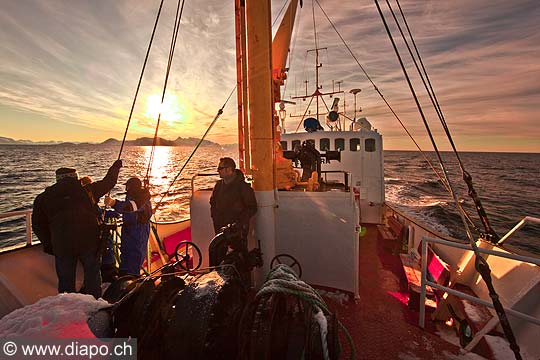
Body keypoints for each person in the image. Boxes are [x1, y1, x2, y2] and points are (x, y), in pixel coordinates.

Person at [32, 160, 122, 299]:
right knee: (92, 277)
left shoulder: (43, 198)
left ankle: (68, 310)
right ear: (75, 177)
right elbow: (109, 182)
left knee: (66, 282)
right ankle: (95, 307)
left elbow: (38, 225)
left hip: (62, 246)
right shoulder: (88, 190)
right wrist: (115, 167)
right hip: (90, 243)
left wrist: (49, 245)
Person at [104, 177, 152, 277]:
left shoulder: (142, 199)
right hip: (128, 231)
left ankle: (133, 278)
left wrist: (113, 203)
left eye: (127, 186)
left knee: (135, 256)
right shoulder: (132, 197)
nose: (126, 189)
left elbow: (130, 207)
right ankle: (123, 275)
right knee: (125, 254)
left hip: (138, 232)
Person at [210, 157, 257, 236]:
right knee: (219, 248)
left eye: (220, 168)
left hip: (238, 231)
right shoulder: (218, 186)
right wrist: (216, 219)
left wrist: (237, 224)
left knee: (239, 248)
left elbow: (252, 208)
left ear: (229, 169)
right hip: (220, 229)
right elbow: (213, 202)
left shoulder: (244, 187)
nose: (218, 171)